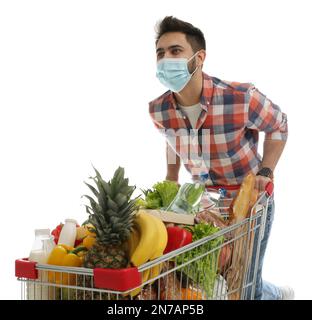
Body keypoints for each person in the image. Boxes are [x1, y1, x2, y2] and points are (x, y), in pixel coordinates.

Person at [148, 16, 294, 300]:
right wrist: (171, 176)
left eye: (175, 51)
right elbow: (171, 139)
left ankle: (273, 295)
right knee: (219, 283)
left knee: (243, 288)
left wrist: (266, 170)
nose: (166, 59)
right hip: (203, 203)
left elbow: (279, 125)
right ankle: (275, 293)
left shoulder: (240, 98)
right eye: (160, 53)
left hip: (249, 199)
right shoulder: (158, 110)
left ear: (199, 57)